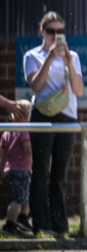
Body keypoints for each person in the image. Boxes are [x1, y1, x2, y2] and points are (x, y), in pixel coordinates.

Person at [24, 11, 84, 238]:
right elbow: (36, 86)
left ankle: (60, 224)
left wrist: (67, 60)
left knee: (60, 172)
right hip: (42, 114)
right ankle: (41, 223)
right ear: (43, 32)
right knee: (40, 170)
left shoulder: (74, 57)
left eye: (60, 32)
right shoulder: (32, 56)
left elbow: (78, 90)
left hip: (67, 116)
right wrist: (49, 57)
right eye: (51, 32)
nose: (55, 36)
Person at [1, 100, 34, 237]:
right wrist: (36, 152)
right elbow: (27, 148)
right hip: (22, 170)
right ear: (26, 115)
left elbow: (2, 154)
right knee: (18, 199)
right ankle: (10, 224)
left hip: (10, 169)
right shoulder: (23, 130)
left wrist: (1, 171)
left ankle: (23, 218)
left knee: (24, 195)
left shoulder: (7, 132)